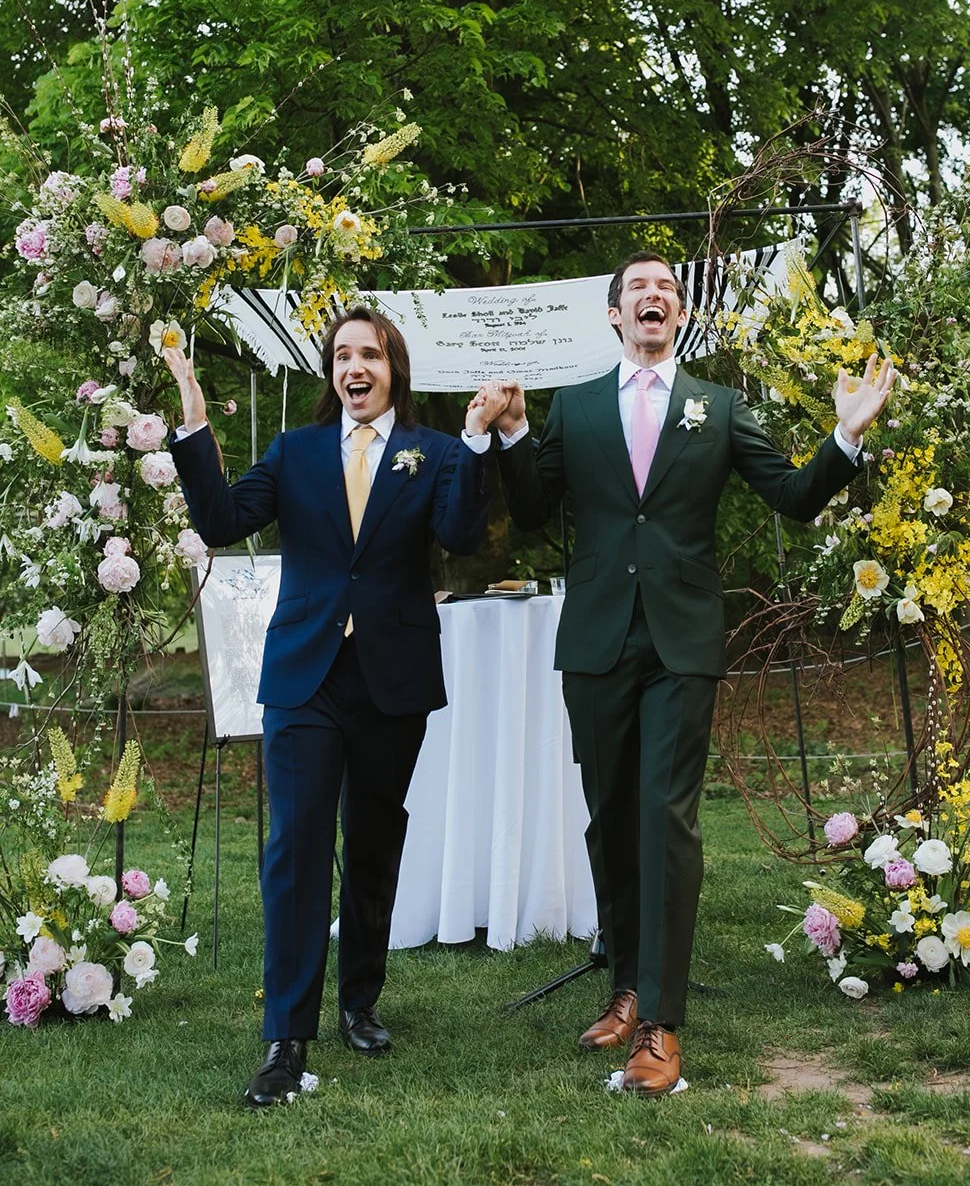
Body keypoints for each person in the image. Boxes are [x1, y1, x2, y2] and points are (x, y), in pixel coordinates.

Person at [476, 252, 895, 1095]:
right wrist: (514, 433)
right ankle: (626, 986)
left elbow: (792, 497)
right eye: (637, 287)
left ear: (678, 313)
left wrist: (844, 437)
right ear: (614, 313)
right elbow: (530, 510)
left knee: (665, 818)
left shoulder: (720, 406)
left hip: (682, 643)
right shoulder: (575, 406)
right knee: (610, 819)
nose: (653, 295)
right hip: (596, 642)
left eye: (665, 288)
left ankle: (660, 1025)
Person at [167, 308, 506, 1108]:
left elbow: (461, 535)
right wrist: (194, 421)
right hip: (304, 677)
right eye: (342, 356)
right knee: (296, 847)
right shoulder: (296, 451)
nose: (355, 367)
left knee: (375, 840)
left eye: (370, 355)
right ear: (331, 372)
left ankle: (359, 1000)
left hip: (391, 678)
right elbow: (220, 522)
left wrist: (476, 439)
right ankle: (286, 1037)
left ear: (393, 369)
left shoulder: (435, 452)